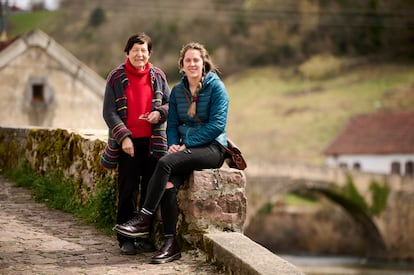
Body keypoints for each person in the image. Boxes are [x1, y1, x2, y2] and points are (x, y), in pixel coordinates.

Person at [113, 42, 229, 264]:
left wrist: (187, 144)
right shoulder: (177, 91)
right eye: (188, 61)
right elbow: (172, 124)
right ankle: (170, 244)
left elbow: (217, 125)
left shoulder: (216, 88)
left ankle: (144, 218)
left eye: (196, 60)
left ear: (204, 63)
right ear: (182, 65)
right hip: (186, 149)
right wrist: (174, 145)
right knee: (167, 185)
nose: (192, 64)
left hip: (213, 148)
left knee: (164, 164)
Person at [100, 33, 170, 255]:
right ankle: (124, 239)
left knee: (149, 191)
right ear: (127, 52)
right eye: (135, 50)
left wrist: (159, 113)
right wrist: (124, 137)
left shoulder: (158, 75)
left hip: (154, 144)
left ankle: (142, 237)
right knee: (128, 191)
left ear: (149, 53)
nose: (140, 54)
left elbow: (170, 105)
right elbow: (109, 112)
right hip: (128, 144)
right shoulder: (115, 77)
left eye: (144, 50)